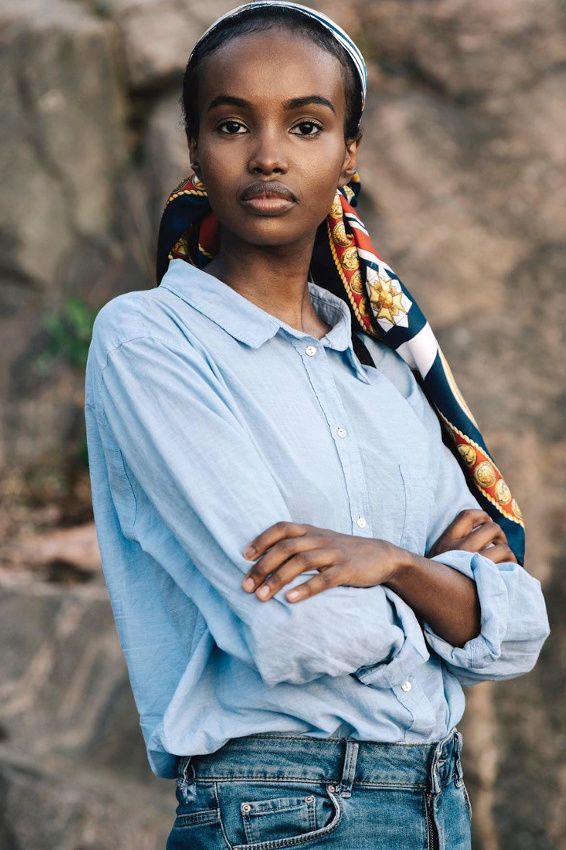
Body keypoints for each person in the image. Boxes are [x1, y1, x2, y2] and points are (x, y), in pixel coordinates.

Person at [84, 3, 550, 848]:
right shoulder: (150, 339)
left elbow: (519, 624)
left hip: (440, 808)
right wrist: (443, 591)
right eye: (232, 124)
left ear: (348, 153)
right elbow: (300, 624)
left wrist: (392, 567)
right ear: (194, 146)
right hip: (281, 810)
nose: (268, 154)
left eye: (306, 124)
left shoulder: (388, 367)